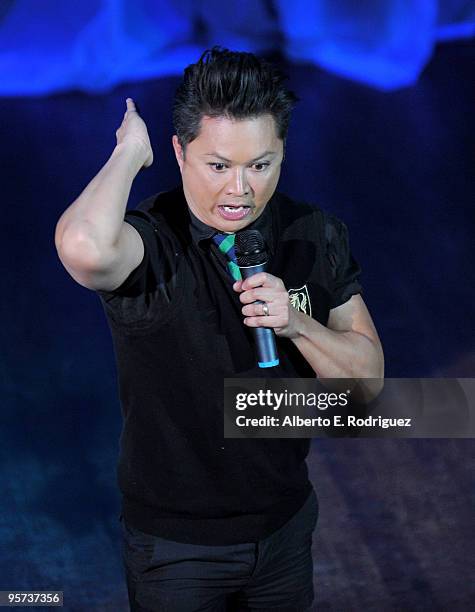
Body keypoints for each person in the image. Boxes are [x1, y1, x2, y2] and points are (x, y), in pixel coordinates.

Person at [55, 47, 384, 612]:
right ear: (180, 152)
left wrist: (297, 323)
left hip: (284, 528)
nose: (241, 190)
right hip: (179, 549)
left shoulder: (314, 231)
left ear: (283, 153)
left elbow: (367, 383)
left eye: (261, 165)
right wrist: (130, 154)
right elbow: (83, 247)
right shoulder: (153, 243)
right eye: (219, 165)